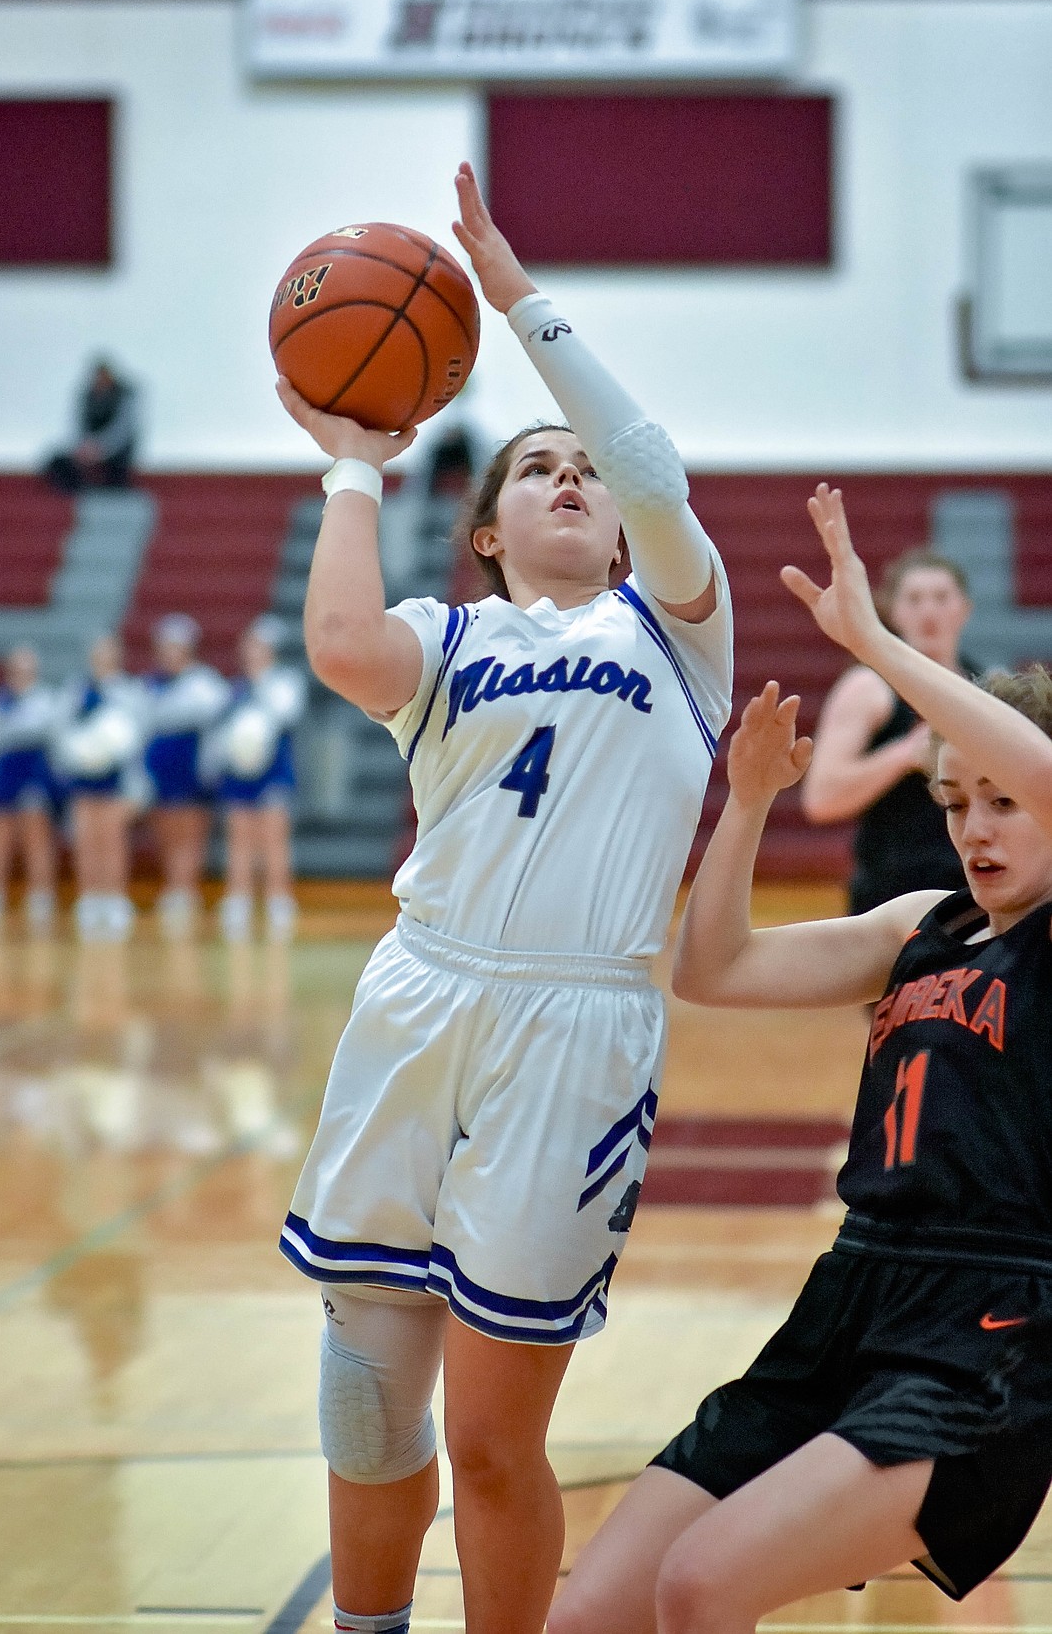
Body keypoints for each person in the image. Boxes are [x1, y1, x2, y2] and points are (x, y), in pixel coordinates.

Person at [274, 161, 733, 1634]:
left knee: (487, 1431)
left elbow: (650, 464)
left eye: (581, 475)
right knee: (362, 1396)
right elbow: (340, 640)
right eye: (536, 468)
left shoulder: (673, 626)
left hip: (572, 1027)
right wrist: (350, 456)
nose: (571, 480)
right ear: (485, 527)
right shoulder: (448, 634)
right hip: (421, 990)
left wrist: (515, 294)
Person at [550, 484, 1052, 1634]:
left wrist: (878, 645)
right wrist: (749, 805)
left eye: (1003, 804)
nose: (975, 829)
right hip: (849, 1297)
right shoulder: (922, 925)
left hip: (989, 1334)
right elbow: (712, 968)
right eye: (956, 802)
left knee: (702, 1584)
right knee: (597, 1614)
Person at [801, 547, 973, 911]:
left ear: (964, 609)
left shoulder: (986, 688)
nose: (928, 611)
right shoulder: (868, 687)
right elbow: (820, 798)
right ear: (894, 611)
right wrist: (903, 755)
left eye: (941, 598)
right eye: (914, 599)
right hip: (888, 900)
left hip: (970, 896)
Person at [206, 614, 306, 943]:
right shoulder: (234, 689)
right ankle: (239, 901)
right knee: (239, 839)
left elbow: (286, 714)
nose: (254, 653)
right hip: (239, 773)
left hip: (273, 771)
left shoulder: (284, 683)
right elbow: (221, 731)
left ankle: (278, 901)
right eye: (250, 647)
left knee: (273, 839)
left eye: (260, 648)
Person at [140, 615, 230, 937]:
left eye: (175, 648)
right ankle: (173, 886)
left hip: (191, 766)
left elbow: (214, 714)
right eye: (163, 648)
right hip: (160, 768)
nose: (168, 654)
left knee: (190, 831)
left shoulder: (204, 682)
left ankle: (184, 890)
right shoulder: (151, 685)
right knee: (165, 830)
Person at [54, 633, 145, 942]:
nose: (103, 658)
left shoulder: (129, 691)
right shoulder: (77, 690)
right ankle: (90, 899)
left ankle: (114, 898)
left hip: (116, 779)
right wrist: (79, 752)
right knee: (86, 838)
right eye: (98, 652)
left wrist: (114, 749)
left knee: (112, 838)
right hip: (84, 776)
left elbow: (138, 735)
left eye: (109, 652)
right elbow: (62, 731)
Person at [0, 645, 61, 932]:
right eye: (16, 669)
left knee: (36, 837)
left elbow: (51, 740)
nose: (21, 675)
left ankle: (41, 897)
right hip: (2, 774)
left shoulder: (46, 700)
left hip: (33, 774)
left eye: (27, 670)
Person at [43, 357, 140, 492]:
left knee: (117, 475)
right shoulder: (86, 397)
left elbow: (122, 431)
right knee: (57, 463)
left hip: (116, 452)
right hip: (88, 449)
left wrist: (101, 448)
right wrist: (83, 448)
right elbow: (77, 426)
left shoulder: (124, 396)